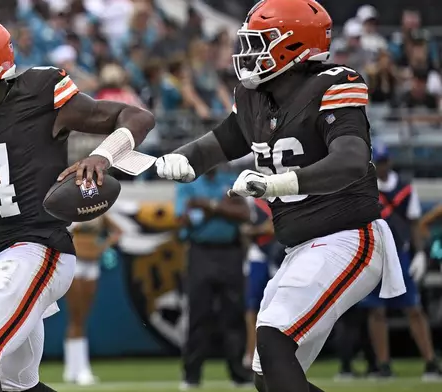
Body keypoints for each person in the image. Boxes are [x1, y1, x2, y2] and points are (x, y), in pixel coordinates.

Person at [154, 1, 405, 392]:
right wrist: (178, 160)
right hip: (300, 247)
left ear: (295, 46)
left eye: (261, 42)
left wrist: (276, 184)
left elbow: (351, 161)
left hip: (347, 235)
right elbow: (213, 146)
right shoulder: (255, 97)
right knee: (268, 377)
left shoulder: (333, 83)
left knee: (273, 342)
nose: (249, 52)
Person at [0, 15, 155, 392]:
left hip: (41, 246)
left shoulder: (41, 91)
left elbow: (137, 116)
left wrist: (104, 156)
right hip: (1, 256)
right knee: (17, 384)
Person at [357, 144, 441, 380]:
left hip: (400, 254)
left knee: (413, 308)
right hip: (375, 255)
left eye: (384, 162)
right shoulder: (366, 188)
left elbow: (415, 222)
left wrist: (420, 253)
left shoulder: (404, 189)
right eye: (377, 162)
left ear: (389, 162)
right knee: (376, 311)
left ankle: (430, 361)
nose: (381, 166)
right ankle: (383, 365)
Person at [175, 167, 252, 389]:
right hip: (201, 252)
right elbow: (183, 219)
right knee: (199, 315)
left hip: (230, 252)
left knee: (234, 315)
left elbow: (244, 214)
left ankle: (238, 374)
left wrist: (209, 206)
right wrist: (223, 210)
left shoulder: (230, 182)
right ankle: (192, 376)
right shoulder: (187, 184)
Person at [63, 216, 121, 385]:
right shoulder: (69, 207)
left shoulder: (99, 211)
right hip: (74, 262)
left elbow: (118, 231)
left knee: (83, 317)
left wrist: (102, 247)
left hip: (92, 264)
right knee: (76, 315)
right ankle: (79, 368)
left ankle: (74, 369)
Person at [242, 198, 284, 370]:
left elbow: (274, 228)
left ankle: (280, 355)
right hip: (259, 255)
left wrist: (257, 230)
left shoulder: (286, 197)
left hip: (283, 255)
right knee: (253, 309)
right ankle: (251, 354)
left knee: (280, 310)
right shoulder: (251, 201)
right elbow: (244, 229)